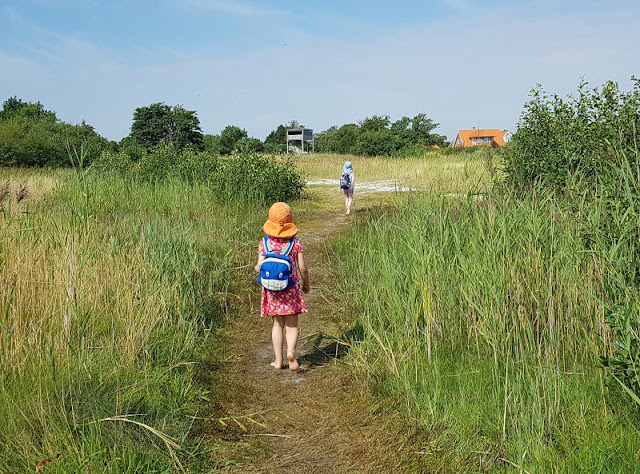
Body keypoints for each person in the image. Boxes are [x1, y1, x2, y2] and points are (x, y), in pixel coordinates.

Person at [255, 202, 310, 371]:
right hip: (291, 289)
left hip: (272, 292)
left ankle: (278, 361)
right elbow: (302, 268)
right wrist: (306, 283)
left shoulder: (264, 244)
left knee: (277, 325)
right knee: (292, 325)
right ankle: (291, 353)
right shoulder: (295, 243)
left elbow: (258, 267)